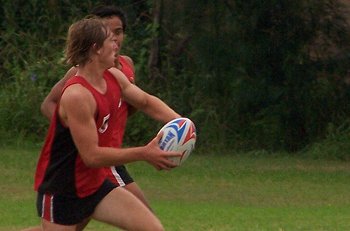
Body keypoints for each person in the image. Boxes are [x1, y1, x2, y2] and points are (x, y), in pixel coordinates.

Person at [33, 17, 181, 230]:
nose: (116, 45)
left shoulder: (114, 76)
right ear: (96, 49)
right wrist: (144, 153)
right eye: (111, 40)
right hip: (63, 190)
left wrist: (181, 122)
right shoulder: (77, 95)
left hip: (96, 185)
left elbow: (146, 102)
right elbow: (91, 156)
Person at [41, 6, 151, 209]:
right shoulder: (78, 73)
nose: (115, 39)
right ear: (95, 41)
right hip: (99, 159)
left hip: (110, 154)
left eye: (118, 32)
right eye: (109, 34)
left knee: (68, 225)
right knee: (146, 217)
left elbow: (132, 106)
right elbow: (49, 104)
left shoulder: (126, 65)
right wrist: (75, 132)